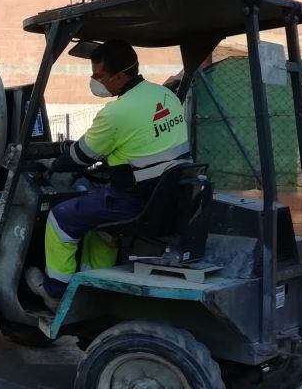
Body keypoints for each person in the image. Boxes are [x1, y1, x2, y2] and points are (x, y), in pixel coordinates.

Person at [26, 40, 190, 309]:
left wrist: (51, 165)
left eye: (98, 76)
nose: (94, 81)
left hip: (135, 201)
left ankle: (55, 290)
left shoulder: (116, 113)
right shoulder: (164, 96)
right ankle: (93, 285)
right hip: (170, 194)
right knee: (99, 230)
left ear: (120, 76)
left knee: (61, 218)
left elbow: (81, 157)